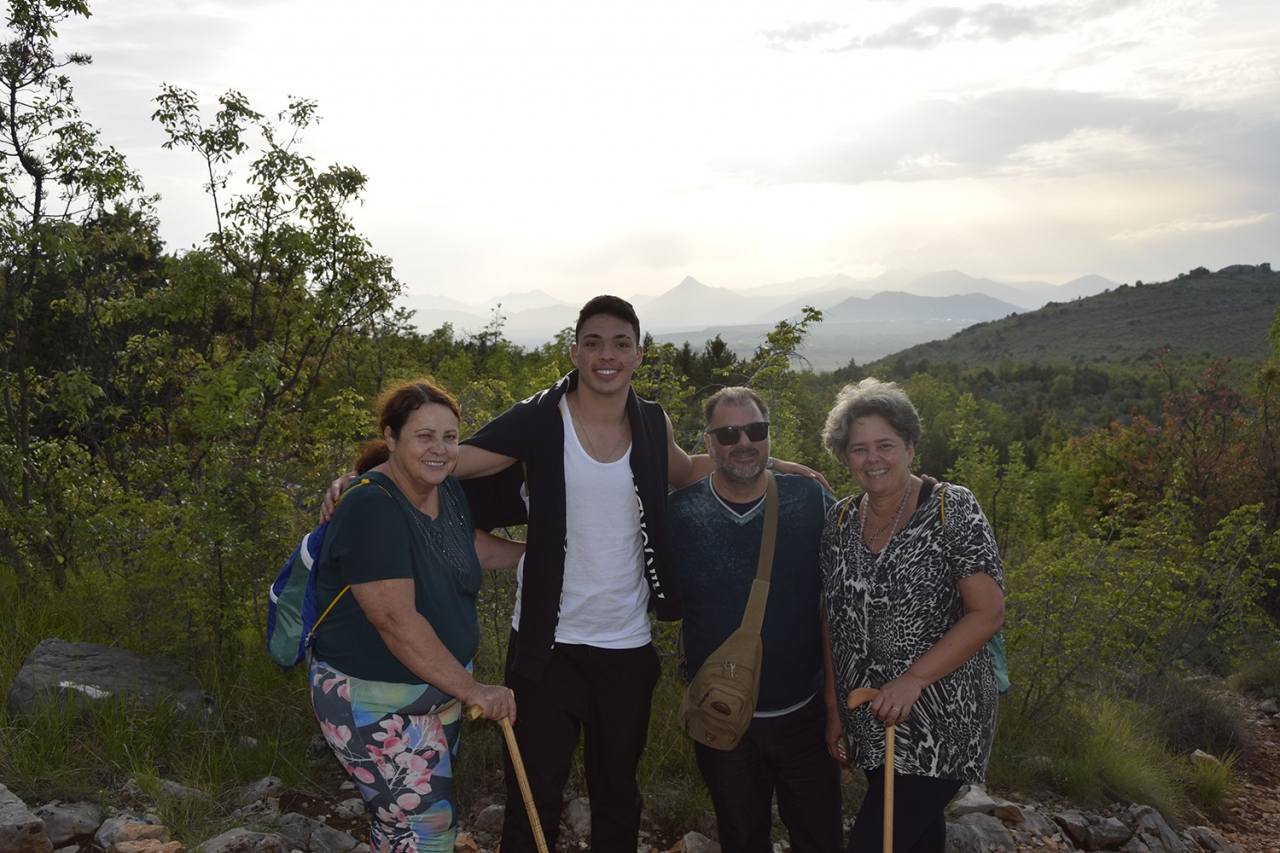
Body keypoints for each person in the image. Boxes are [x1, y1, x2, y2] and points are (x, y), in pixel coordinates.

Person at [318, 296, 827, 853]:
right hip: (546, 646)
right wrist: (365, 479)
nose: (607, 355)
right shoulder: (540, 418)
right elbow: (449, 456)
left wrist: (769, 463)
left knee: (618, 793)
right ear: (575, 352)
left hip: (626, 646)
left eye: (620, 344)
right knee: (532, 793)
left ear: (638, 354)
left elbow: (686, 470)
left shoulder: (651, 422)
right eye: (593, 343)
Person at [309, 380, 524, 853]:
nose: (439, 449)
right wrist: (474, 690)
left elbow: (466, 545)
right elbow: (395, 621)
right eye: (424, 436)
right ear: (391, 437)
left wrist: (534, 554)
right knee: (425, 835)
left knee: (402, 828)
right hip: (376, 704)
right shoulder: (370, 507)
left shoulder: (445, 488)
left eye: (449, 437)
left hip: (437, 693)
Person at [820, 377, 1005, 853]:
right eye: (859, 448)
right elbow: (832, 617)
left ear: (910, 446)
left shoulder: (950, 508)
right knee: (917, 839)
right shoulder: (838, 522)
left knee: (873, 843)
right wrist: (834, 705)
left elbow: (988, 612)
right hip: (870, 715)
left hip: (942, 716)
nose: (873, 458)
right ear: (844, 457)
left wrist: (914, 680)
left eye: (885, 445)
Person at [668, 387, 843, 853]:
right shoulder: (677, 516)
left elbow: (859, 576)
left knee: (822, 838)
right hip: (721, 719)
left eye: (756, 430)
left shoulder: (811, 499)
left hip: (806, 716)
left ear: (769, 436)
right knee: (742, 839)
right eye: (728, 433)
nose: (744, 442)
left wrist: (925, 493)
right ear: (708, 443)